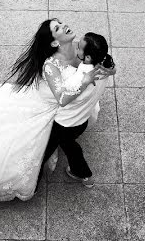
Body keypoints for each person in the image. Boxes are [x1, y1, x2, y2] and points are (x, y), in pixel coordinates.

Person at [0, 19, 111, 202]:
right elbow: (62, 98)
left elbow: (97, 61)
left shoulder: (78, 48)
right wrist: (85, 81)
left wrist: (108, 69)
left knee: (59, 142)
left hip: (65, 109)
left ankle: (76, 170)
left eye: (60, 23)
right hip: (47, 104)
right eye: (57, 28)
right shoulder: (50, 66)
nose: (64, 26)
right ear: (55, 42)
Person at [42, 32, 114, 187]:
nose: (76, 48)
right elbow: (113, 67)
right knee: (69, 146)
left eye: (80, 47)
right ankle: (81, 173)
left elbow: (62, 98)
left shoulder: (81, 77)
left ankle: (84, 174)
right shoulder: (105, 66)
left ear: (87, 57)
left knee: (49, 149)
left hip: (65, 124)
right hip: (83, 119)